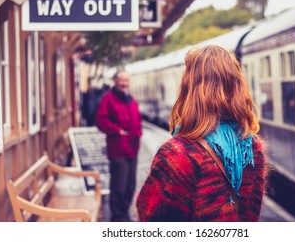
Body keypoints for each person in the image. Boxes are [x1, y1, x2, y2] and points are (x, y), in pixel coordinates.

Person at [136, 45, 267, 222]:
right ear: (237, 87)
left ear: (189, 89)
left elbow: (150, 216)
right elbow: (251, 214)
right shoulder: (252, 148)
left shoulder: (177, 155)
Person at [96, 70, 142, 222]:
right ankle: (117, 217)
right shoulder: (108, 99)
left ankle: (125, 213)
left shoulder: (131, 99)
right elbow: (101, 120)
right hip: (118, 149)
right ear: (115, 81)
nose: (124, 83)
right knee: (119, 187)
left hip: (132, 149)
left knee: (130, 185)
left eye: (126, 80)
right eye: (121, 80)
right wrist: (117, 130)